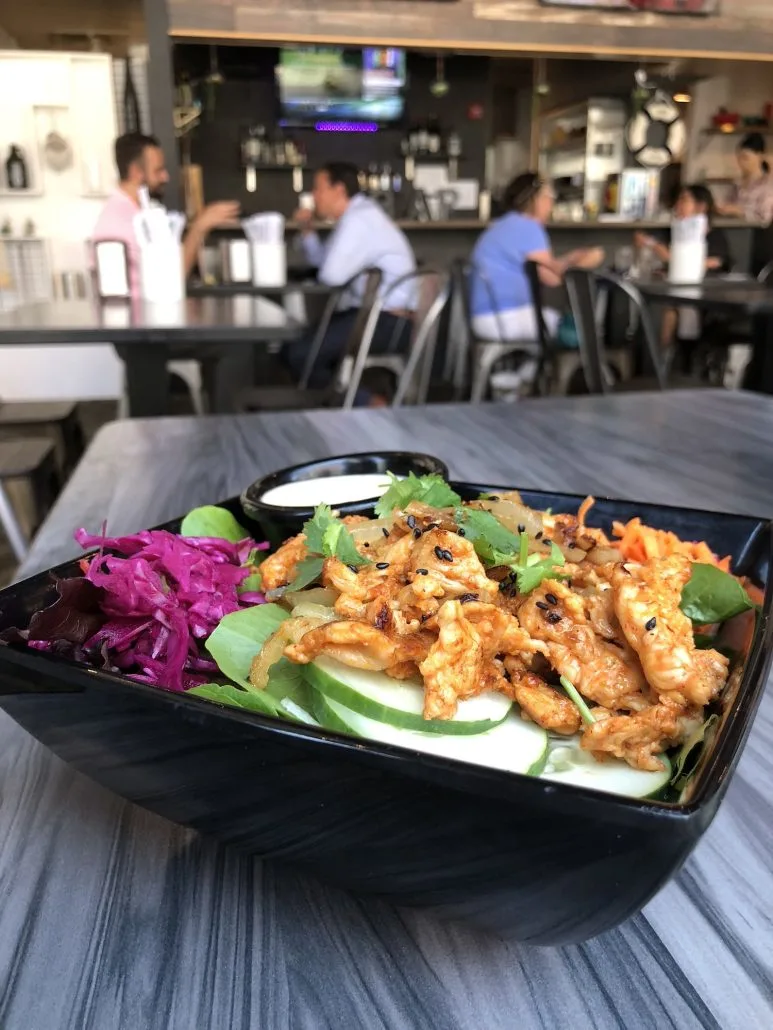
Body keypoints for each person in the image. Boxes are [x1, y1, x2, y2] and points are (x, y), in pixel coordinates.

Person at [285, 162, 416, 399]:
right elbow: (323, 262)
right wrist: (307, 231)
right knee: (296, 345)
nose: (313, 196)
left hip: (388, 322)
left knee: (301, 354)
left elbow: (330, 276)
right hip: (376, 316)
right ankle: (350, 403)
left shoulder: (359, 220)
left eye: (318, 189)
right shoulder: (356, 216)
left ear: (339, 190)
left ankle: (369, 404)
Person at [91, 132, 239, 297]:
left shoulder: (138, 213)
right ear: (136, 172)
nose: (166, 177)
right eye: (158, 170)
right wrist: (200, 226)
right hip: (143, 312)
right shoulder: (122, 221)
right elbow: (170, 279)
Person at [470, 173, 604, 343]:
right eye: (548, 196)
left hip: (486, 317)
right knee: (576, 329)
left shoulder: (503, 225)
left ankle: (528, 363)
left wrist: (571, 259)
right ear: (533, 199)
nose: (551, 202)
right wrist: (585, 263)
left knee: (559, 321)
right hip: (505, 318)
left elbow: (539, 266)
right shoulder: (529, 227)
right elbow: (552, 279)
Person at [634, 183, 731, 274]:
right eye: (678, 200)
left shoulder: (715, 238)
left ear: (701, 206)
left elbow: (709, 264)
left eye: (684, 200)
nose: (677, 205)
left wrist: (660, 251)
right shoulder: (670, 232)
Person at [717, 132, 773, 225]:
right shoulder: (737, 184)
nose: (741, 162)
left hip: (756, 232)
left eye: (745, 158)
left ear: (760, 156)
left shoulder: (768, 185)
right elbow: (728, 204)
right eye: (738, 158)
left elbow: (766, 218)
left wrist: (739, 211)